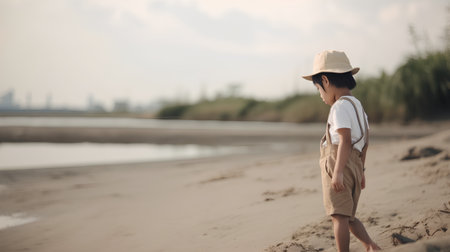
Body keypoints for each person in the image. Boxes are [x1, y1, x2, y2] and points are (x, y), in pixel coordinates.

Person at [302, 50, 381, 252]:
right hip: (354, 166)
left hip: (339, 164)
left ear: (326, 81)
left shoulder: (338, 107)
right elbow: (365, 142)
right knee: (349, 217)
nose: (321, 95)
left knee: (338, 217)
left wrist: (337, 172)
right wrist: (361, 171)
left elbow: (345, 140)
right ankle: (370, 246)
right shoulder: (358, 106)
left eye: (319, 89)